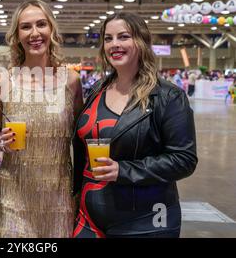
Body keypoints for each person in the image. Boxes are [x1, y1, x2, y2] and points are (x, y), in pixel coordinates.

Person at [72, 12, 197, 238]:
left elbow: (184, 160)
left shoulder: (168, 97)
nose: (114, 44)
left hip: (144, 221)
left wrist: (123, 170)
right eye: (108, 38)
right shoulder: (96, 91)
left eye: (123, 37)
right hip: (88, 217)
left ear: (141, 41)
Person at [0, 0, 83, 237]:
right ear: (16, 34)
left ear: (51, 29)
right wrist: (0, 142)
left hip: (58, 198)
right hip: (14, 197)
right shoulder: (3, 82)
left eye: (41, 24)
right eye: (26, 27)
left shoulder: (71, 82)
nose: (34, 33)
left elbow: (81, 138)